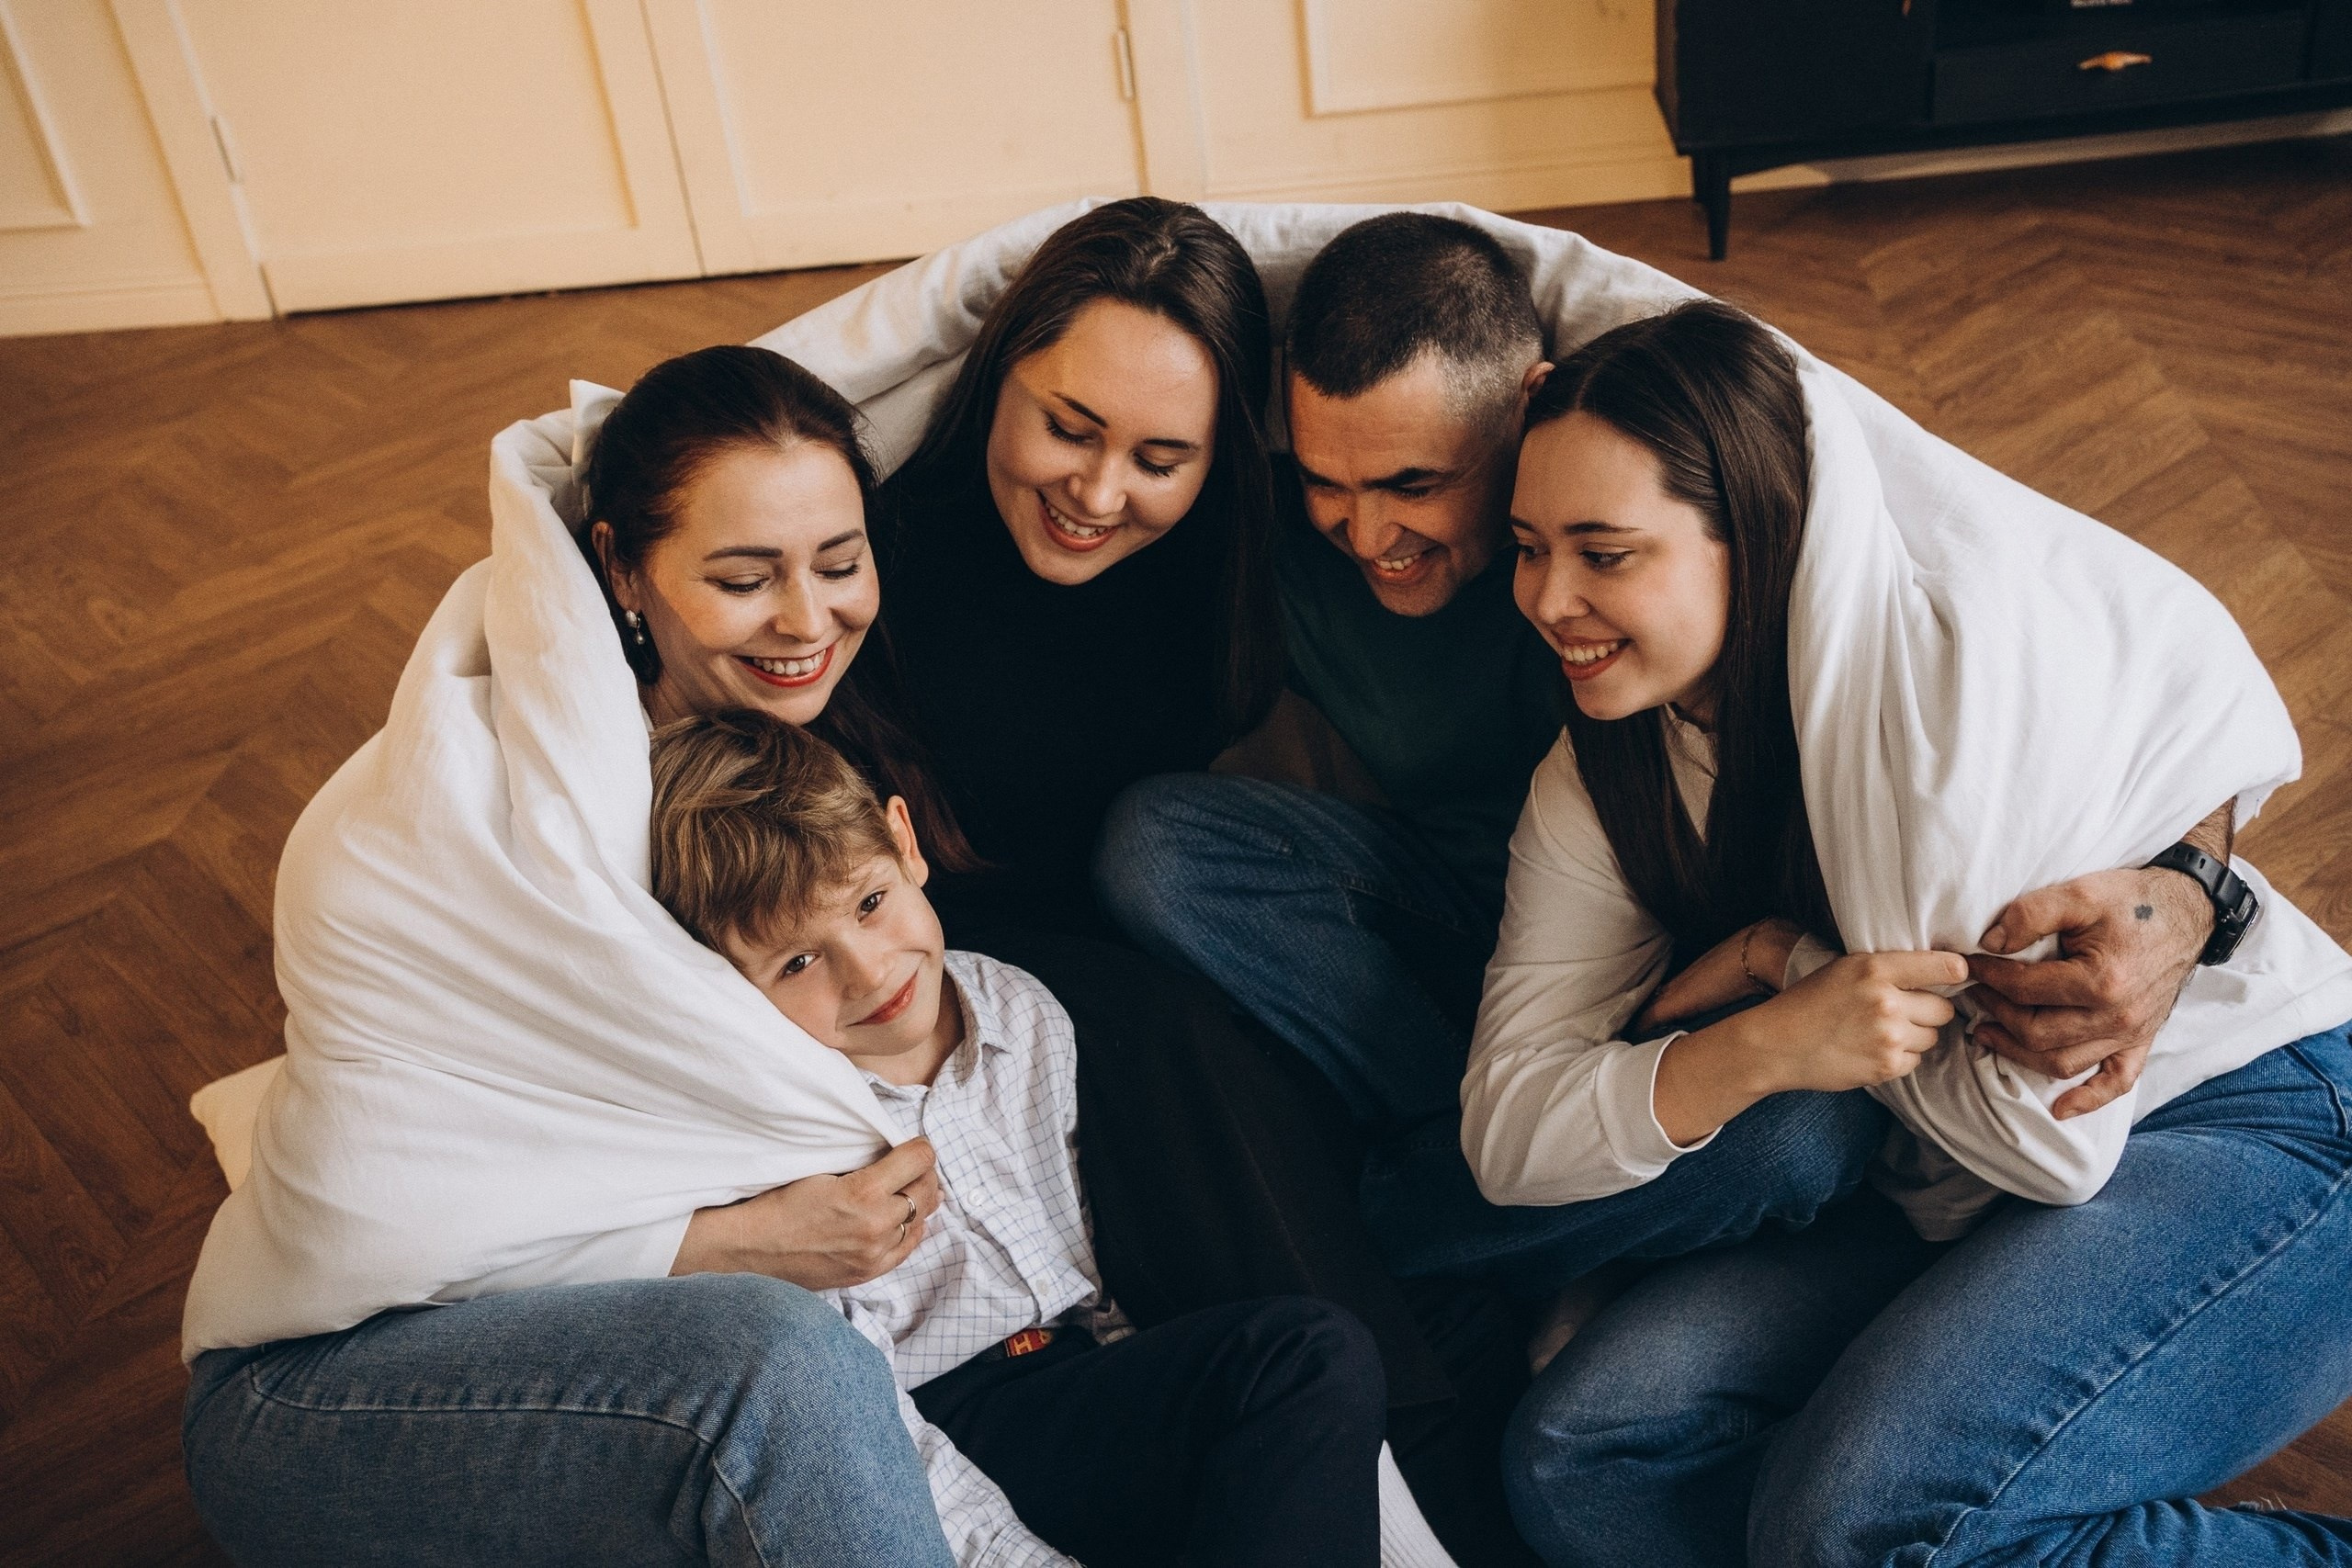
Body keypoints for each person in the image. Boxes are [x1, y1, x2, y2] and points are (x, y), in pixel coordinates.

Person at [1453, 299, 2352, 1566]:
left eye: (1606, 553)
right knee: (1583, 1455)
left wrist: (1787, 959)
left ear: (1756, 539)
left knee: (1858, 1521)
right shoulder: (1603, 775)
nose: (1549, 598)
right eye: (1528, 546)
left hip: (2247, 1109)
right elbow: (1507, 1130)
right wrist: (1766, 1040)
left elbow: (2046, 1144)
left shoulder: (1936, 704)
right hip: (1941, 1192)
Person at [184, 346, 964, 1565]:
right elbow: (374, 1210)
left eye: (839, 562)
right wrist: (728, 1243)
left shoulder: (810, 761)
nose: (808, 620)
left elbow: (947, 319)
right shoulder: (476, 827)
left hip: (620, 1373)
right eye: (743, 577)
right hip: (328, 1387)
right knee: (780, 1367)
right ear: (620, 568)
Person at [648, 706, 1392, 1568]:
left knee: (1313, 1357)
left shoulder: (1022, 1010)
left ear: (904, 841)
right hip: (926, 1436)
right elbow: (862, 1421)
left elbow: (1095, 1279)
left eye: (870, 903)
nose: (869, 970)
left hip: (1075, 1383)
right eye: (798, 963)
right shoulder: (782, 1137)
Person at [1094, 213, 1562, 1139]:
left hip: (1636, 942)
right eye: (1326, 482)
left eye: (1413, 485)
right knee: (1150, 843)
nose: (1369, 536)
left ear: (1529, 407)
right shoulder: (1282, 548)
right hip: (1442, 911)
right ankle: (1461, 1147)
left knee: (1800, 1137)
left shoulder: (1612, 529)